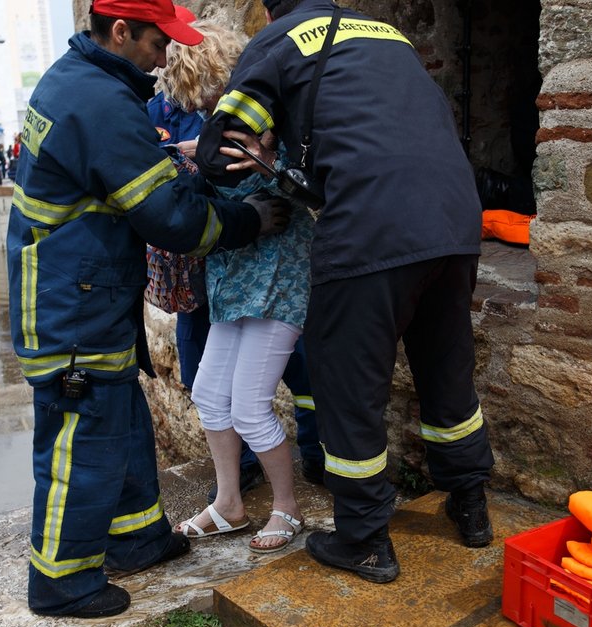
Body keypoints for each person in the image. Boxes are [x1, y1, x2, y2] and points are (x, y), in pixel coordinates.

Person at [5, 0, 289, 619]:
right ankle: (62, 580)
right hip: (69, 303)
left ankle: (137, 538)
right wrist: (250, 218)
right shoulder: (101, 103)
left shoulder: (80, 81)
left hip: (83, 290)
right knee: (81, 439)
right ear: (120, 31)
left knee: (122, 418)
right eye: (159, 45)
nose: (164, 61)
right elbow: (173, 221)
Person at [197, 0, 495, 583]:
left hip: (369, 230)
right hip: (454, 221)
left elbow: (217, 153)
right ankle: (472, 508)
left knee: (348, 389)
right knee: (447, 371)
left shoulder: (279, 41)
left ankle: (361, 540)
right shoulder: (389, 34)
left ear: (269, 7)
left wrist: (260, 153)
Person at [147, 18, 325, 501]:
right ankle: (229, 502)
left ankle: (288, 503)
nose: (199, 107)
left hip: (272, 276)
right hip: (229, 278)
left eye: (197, 94)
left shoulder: (268, 118)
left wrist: (264, 158)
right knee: (208, 393)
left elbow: (300, 194)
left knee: (251, 404)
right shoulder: (209, 125)